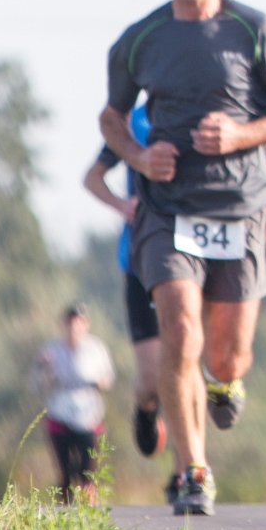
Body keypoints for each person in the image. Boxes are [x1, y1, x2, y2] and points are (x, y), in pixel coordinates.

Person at [99, 0, 266, 515]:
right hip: (168, 212)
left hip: (241, 211)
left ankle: (225, 383)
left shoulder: (252, 30)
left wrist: (244, 134)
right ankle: (193, 471)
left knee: (226, 354)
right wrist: (140, 158)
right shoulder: (141, 40)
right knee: (180, 331)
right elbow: (110, 121)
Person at [82, 103, 167, 467]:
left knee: (186, 368)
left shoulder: (205, 109)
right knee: (152, 380)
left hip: (197, 255)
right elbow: (92, 177)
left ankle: (187, 472)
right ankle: (147, 409)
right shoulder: (135, 121)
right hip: (141, 261)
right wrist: (122, 204)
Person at [29, 304, 114, 504]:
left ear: (85, 325)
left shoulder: (96, 348)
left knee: (87, 472)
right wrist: (45, 370)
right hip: (60, 413)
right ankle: (65, 511)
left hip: (89, 413)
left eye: (78, 322)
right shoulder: (51, 350)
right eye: (70, 321)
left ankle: (88, 510)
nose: (73, 327)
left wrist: (100, 382)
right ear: (63, 325)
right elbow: (36, 385)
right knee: (65, 472)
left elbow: (108, 379)